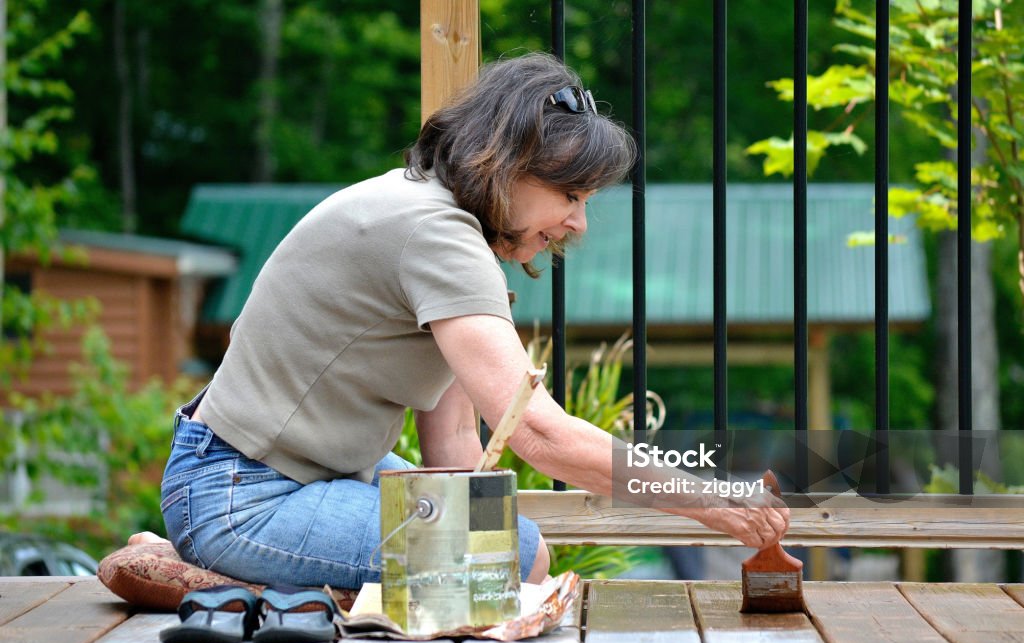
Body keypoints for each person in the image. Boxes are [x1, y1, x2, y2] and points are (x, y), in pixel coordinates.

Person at [158, 52, 789, 591]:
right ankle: (221, 575)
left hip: (297, 473)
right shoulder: (435, 234)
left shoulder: (436, 220)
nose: (579, 224)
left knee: (520, 549)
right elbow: (539, 434)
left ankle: (248, 572)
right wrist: (711, 500)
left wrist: (471, 544)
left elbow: (454, 440)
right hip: (246, 495)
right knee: (506, 559)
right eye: (570, 196)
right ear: (507, 162)